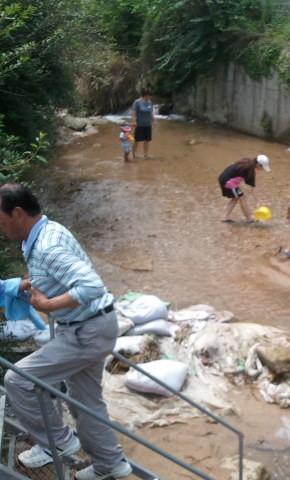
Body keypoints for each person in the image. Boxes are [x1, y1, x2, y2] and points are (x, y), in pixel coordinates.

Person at [0, 183, 132, 480]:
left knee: (18, 379)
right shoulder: (47, 231)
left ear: (17, 213)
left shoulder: (47, 247)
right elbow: (55, 274)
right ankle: (110, 463)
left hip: (86, 331)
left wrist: (48, 304)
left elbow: (92, 285)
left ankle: (57, 442)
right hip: (94, 325)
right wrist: (24, 285)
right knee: (85, 402)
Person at [218, 154, 271, 223]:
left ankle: (225, 217)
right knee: (242, 198)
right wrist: (257, 203)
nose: (262, 169)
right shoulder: (250, 170)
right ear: (258, 164)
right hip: (228, 182)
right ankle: (249, 218)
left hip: (223, 178)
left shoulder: (247, 161)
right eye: (263, 167)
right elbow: (253, 189)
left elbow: (234, 167)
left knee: (236, 198)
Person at [131, 88, 155, 159]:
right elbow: (134, 112)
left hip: (148, 125)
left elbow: (151, 112)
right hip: (139, 125)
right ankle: (133, 154)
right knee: (136, 140)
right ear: (144, 95)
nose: (149, 97)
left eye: (150, 96)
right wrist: (134, 121)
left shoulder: (149, 103)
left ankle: (145, 155)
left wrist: (154, 121)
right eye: (148, 95)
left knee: (147, 140)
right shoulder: (137, 102)